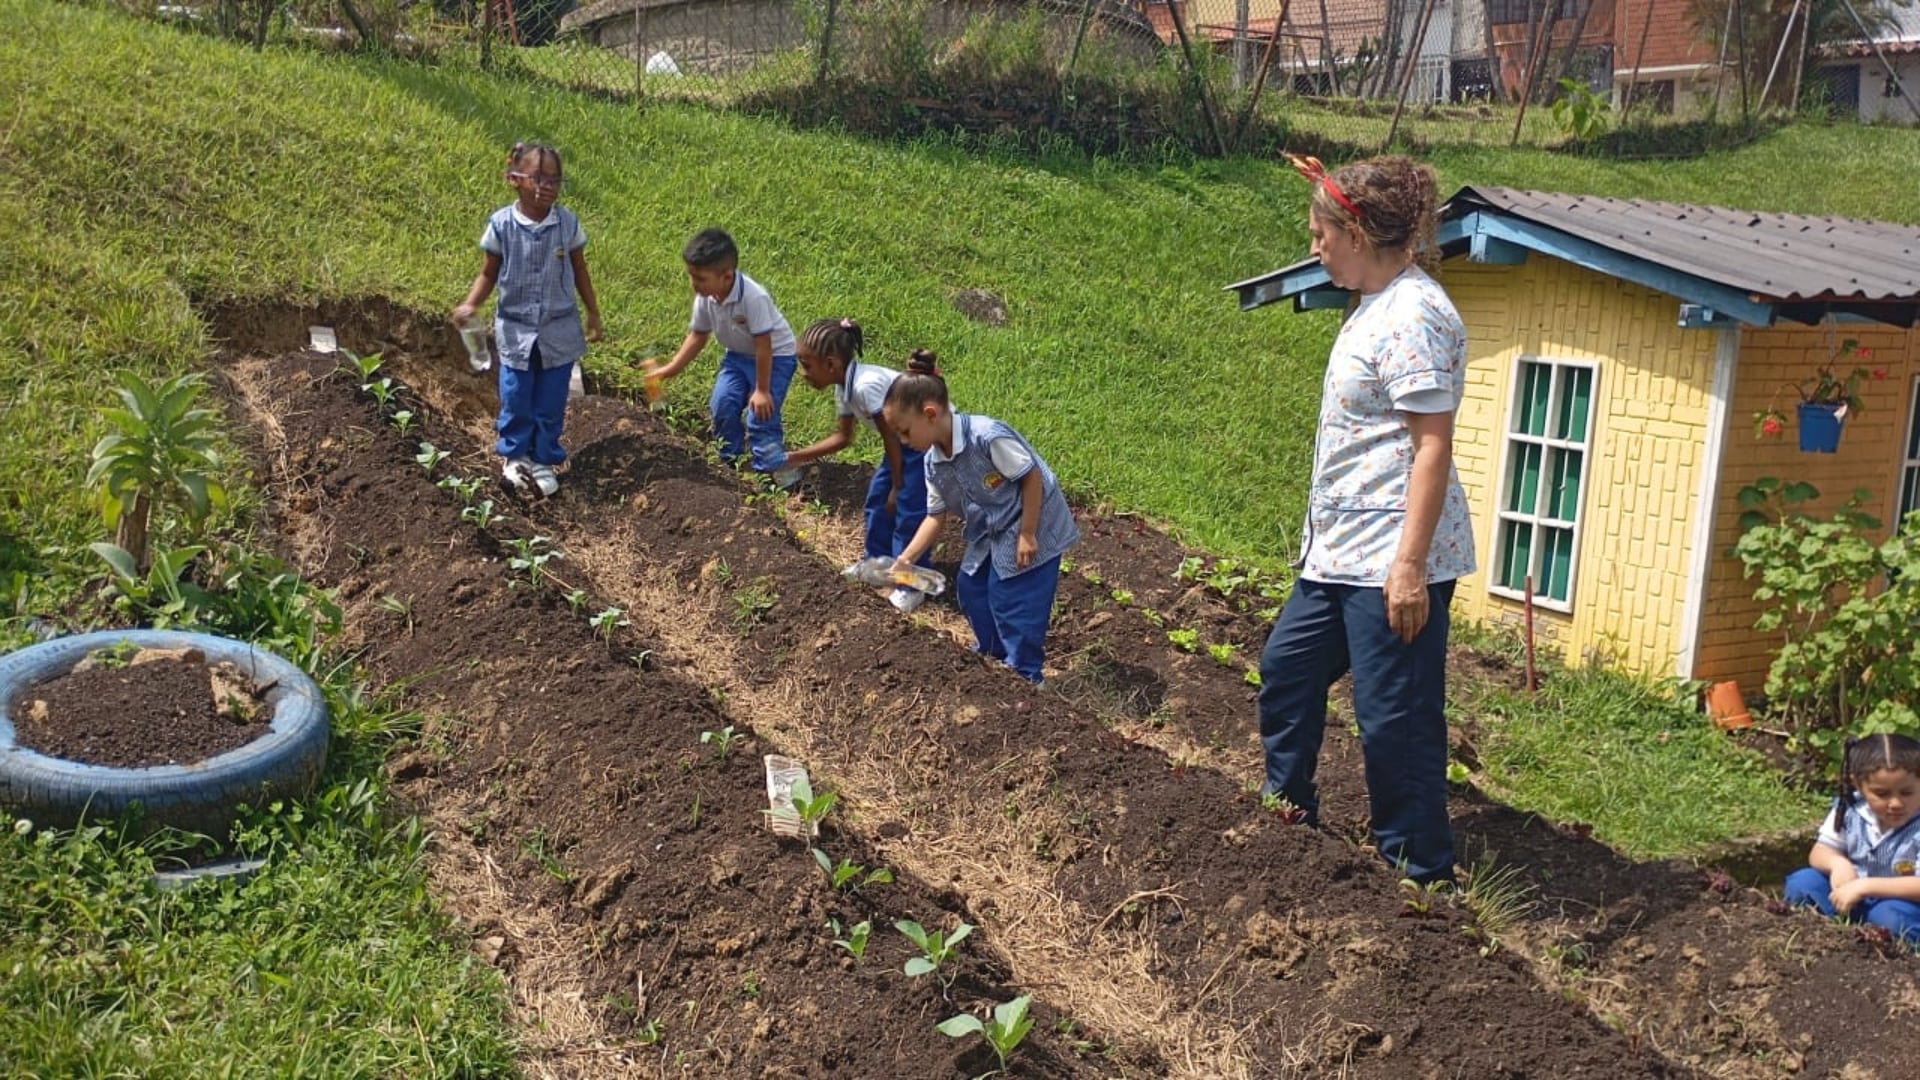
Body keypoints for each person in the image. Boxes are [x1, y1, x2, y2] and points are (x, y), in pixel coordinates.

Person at [1254, 153, 1475, 887]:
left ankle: (1420, 877)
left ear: (1356, 233)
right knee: (1288, 670)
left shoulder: (1415, 315)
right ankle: (1287, 812)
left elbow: (1432, 447)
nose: (1314, 246)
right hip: (1340, 552)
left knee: (1394, 721)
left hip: (1390, 556)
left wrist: (1409, 567)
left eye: (1321, 234)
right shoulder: (1374, 304)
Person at [883, 352, 1079, 683]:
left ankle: (1026, 675)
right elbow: (935, 517)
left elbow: (1032, 478)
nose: (903, 441)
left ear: (930, 414)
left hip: (1034, 518)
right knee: (971, 586)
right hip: (993, 525)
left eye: (904, 432)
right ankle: (992, 653)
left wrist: (1027, 533)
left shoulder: (987, 436)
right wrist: (906, 559)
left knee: (1012, 597)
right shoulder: (934, 463)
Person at [452, 141, 604, 498]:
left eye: (554, 180)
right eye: (538, 178)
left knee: (551, 400)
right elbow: (489, 273)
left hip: (558, 329)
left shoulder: (567, 224)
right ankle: (516, 456)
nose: (547, 187)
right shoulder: (502, 225)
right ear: (514, 178)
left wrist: (593, 312)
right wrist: (471, 304)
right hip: (516, 328)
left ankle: (543, 459)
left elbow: (580, 270)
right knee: (516, 395)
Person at [781, 318, 931, 610]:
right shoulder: (845, 389)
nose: (803, 373)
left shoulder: (865, 386)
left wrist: (898, 485)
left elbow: (890, 436)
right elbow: (843, 437)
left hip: (924, 442)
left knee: (908, 510)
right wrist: (796, 456)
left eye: (807, 366)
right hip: (904, 443)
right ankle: (877, 566)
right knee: (877, 501)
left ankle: (911, 586)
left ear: (831, 364)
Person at [644, 228, 798, 486]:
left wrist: (762, 390)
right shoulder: (706, 297)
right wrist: (669, 370)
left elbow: (764, 344)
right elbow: (698, 336)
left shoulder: (754, 297)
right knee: (722, 405)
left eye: (700, 278)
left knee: (760, 415)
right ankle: (731, 464)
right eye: (691, 276)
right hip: (737, 357)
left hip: (775, 358)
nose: (694, 284)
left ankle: (776, 475)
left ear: (726, 276)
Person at [1784, 734, 1920, 946]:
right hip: (1850, 895)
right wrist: (1838, 863)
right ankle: (1821, 938)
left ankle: (1891, 947)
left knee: (1889, 917)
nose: (1895, 803)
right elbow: (1820, 851)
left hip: (1902, 903)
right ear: (1858, 784)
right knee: (1803, 882)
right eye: (1882, 794)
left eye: (1907, 793)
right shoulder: (1849, 809)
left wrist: (1865, 886)